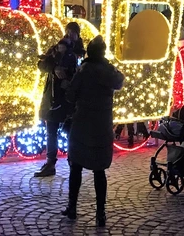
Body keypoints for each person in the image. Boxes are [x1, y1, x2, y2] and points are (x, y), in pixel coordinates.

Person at [62, 36, 125, 227]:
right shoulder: (108, 71)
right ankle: (100, 213)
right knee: (99, 171)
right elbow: (119, 81)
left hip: (82, 124)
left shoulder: (84, 70)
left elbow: (70, 95)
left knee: (76, 167)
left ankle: (72, 207)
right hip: (102, 126)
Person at [35, 21, 84, 177]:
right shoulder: (57, 48)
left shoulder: (80, 52)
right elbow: (41, 65)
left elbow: (82, 73)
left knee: (71, 132)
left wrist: (69, 80)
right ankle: (50, 163)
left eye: (73, 32)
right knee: (51, 131)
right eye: (68, 31)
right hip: (53, 97)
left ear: (78, 35)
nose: (70, 35)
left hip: (70, 99)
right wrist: (54, 68)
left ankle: (73, 161)